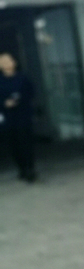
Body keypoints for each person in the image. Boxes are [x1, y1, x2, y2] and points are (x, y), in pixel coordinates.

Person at [0, 53, 37, 182]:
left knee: (26, 143)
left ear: (14, 62)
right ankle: (21, 168)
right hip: (7, 118)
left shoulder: (23, 78)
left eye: (9, 60)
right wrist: (4, 103)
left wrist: (19, 100)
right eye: (3, 61)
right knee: (13, 145)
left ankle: (30, 169)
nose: (7, 63)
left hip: (23, 115)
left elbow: (31, 92)